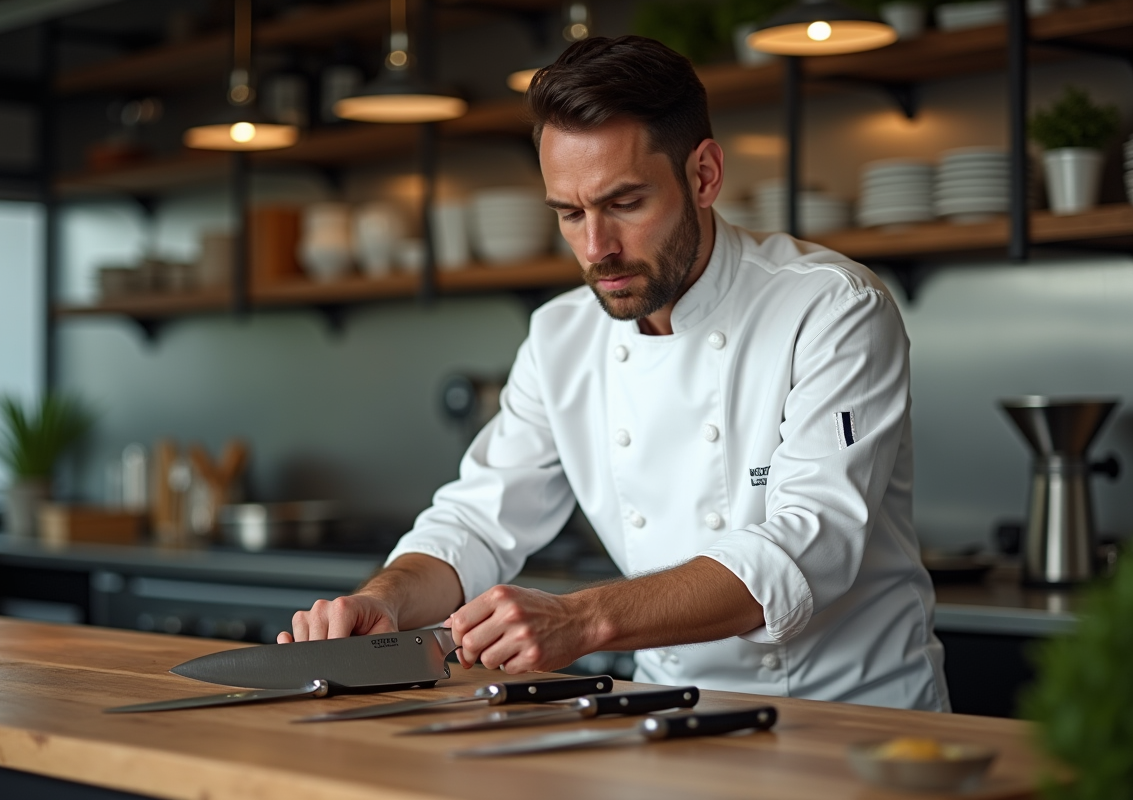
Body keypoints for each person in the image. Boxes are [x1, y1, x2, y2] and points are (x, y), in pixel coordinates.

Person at [280, 35, 949, 712]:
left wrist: (582, 619)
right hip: (672, 712)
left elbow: (811, 548)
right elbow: (478, 522)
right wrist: (383, 600)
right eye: (570, 214)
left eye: (625, 203)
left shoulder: (832, 306)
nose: (597, 248)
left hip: (851, 723)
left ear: (705, 175)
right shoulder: (560, 335)